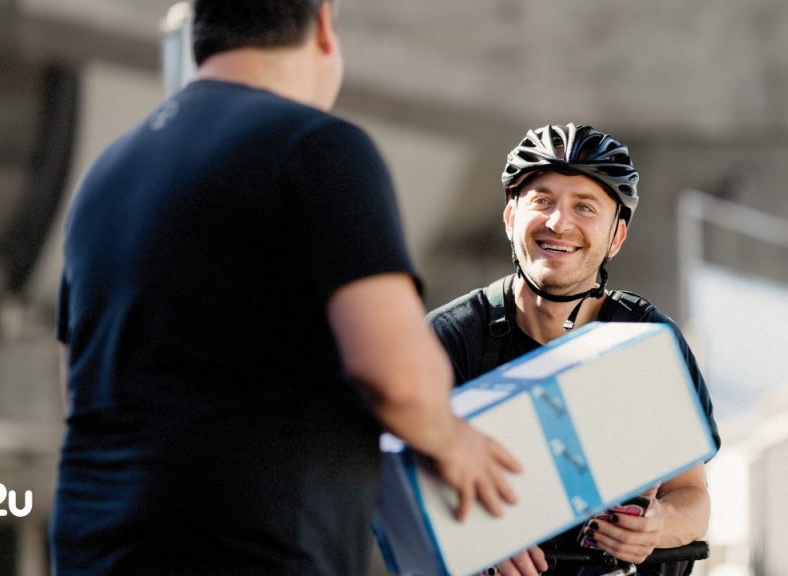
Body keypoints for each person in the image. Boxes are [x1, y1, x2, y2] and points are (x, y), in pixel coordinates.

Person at [49, 1, 523, 574]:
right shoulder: (316, 146)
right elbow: (396, 378)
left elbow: (80, 389)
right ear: (323, 23)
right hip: (251, 550)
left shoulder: (104, 176)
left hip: (95, 549)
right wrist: (457, 444)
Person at [429, 124, 721, 576]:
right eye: (542, 201)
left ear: (616, 237)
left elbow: (691, 496)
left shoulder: (647, 341)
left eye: (584, 206)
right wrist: (474, 538)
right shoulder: (448, 341)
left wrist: (657, 525)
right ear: (510, 217)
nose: (559, 223)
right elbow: (400, 495)